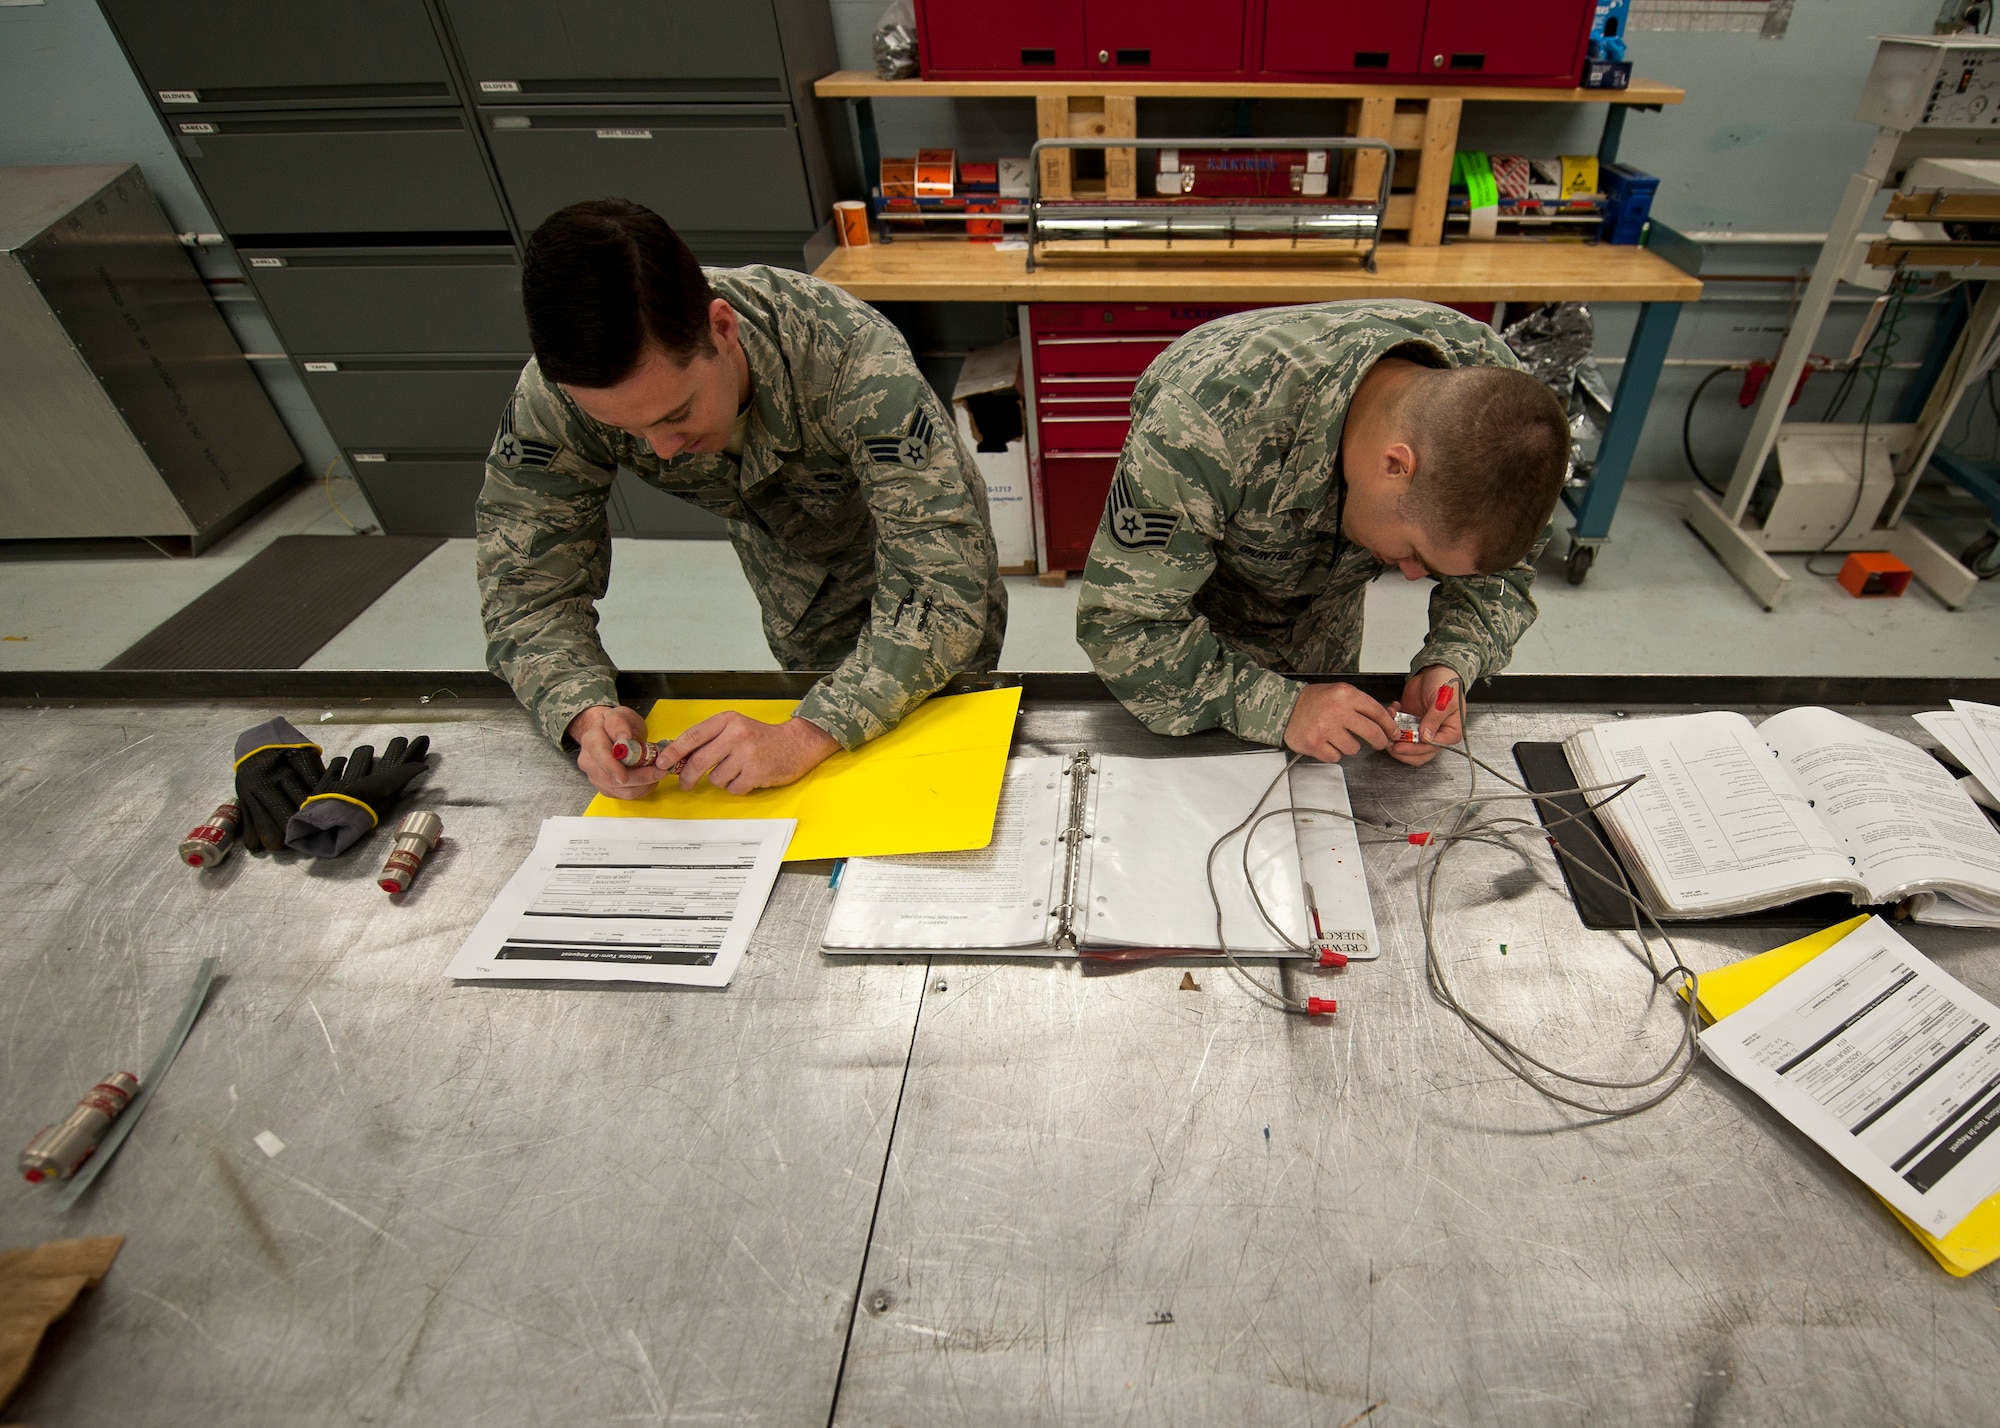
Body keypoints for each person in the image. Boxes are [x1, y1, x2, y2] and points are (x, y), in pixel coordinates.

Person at [476, 199, 1007, 798]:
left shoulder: (852, 359)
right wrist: (583, 711)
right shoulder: (558, 397)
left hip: (914, 534)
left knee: (939, 728)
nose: (662, 449)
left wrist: (807, 733)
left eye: (676, 414)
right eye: (628, 433)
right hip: (792, 563)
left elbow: (941, 591)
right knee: (829, 756)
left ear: (721, 330)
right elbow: (525, 590)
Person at [1076, 299, 1569, 766]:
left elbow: (1502, 572)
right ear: (1395, 465)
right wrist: (1280, 706)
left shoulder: (1504, 418)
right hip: (1205, 642)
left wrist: (1451, 661)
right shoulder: (1201, 422)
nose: (1415, 576)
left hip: (1326, 629)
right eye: (1416, 552)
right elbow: (1124, 626)